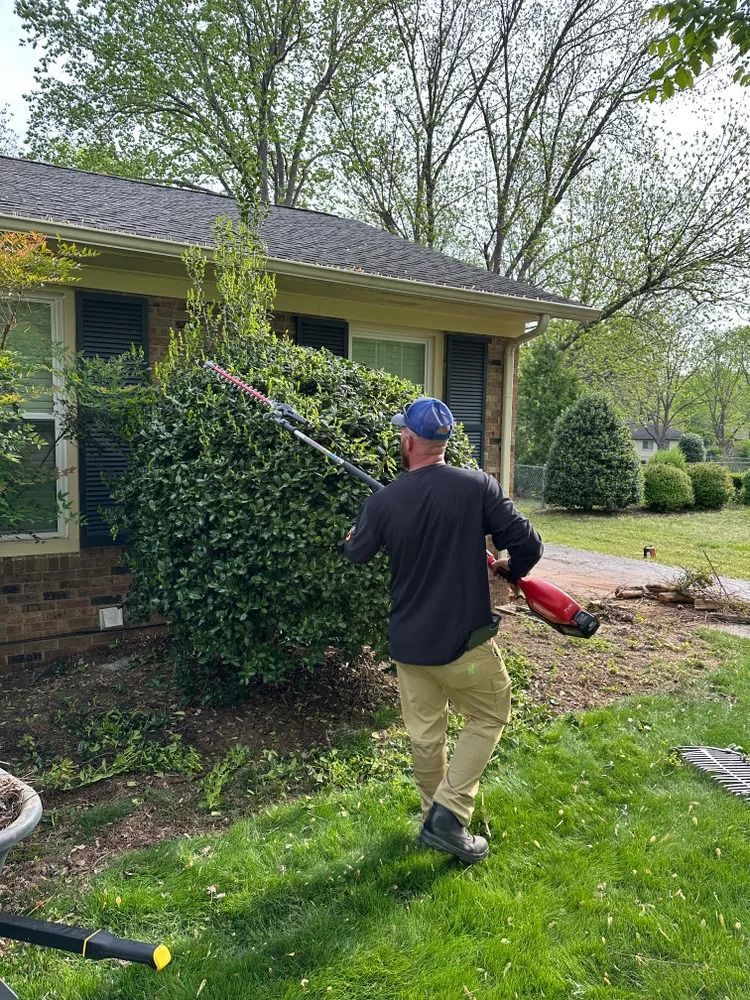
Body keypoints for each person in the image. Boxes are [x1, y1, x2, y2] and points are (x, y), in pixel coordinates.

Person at [344, 396, 543, 864]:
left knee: (426, 736)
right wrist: (510, 571)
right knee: (490, 716)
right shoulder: (478, 487)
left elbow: (356, 554)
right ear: (444, 443)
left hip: (410, 646)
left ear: (408, 440)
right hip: (464, 644)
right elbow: (528, 543)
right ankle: (448, 817)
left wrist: (352, 538)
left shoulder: (384, 501)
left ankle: (434, 816)